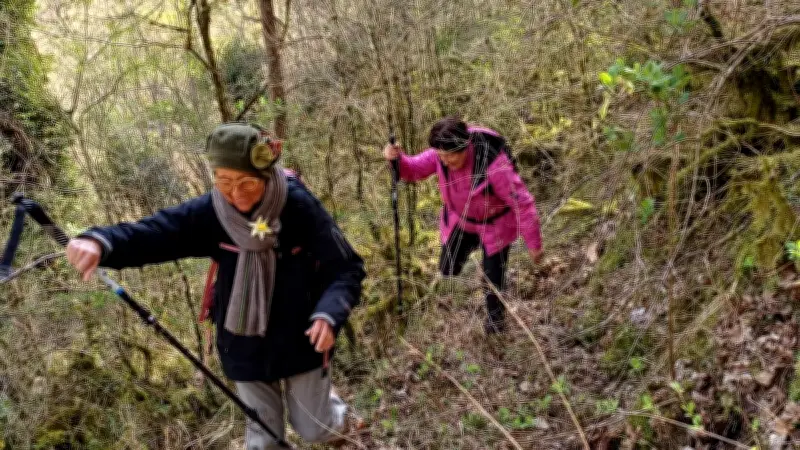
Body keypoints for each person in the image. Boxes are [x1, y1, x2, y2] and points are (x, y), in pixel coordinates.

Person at [66, 122, 366, 449]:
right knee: (263, 441)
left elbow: (346, 267)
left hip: (302, 337)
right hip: (243, 343)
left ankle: (343, 419)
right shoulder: (214, 213)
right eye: (224, 182)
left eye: (246, 182)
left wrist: (328, 313)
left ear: (265, 174)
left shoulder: (296, 205)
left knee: (317, 430)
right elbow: (155, 233)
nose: (236, 195)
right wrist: (101, 242)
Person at [383, 116, 543, 334]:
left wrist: (534, 244)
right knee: (447, 269)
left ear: (465, 147)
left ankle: (495, 329)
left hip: (495, 225)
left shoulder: (494, 164)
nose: (445, 161)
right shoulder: (442, 153)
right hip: (462, 221)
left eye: (451, 157)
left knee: (493, 283)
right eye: (441, 156)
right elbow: (412, 170)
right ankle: (450, 314)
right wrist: (396, 160)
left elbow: (522, 203)